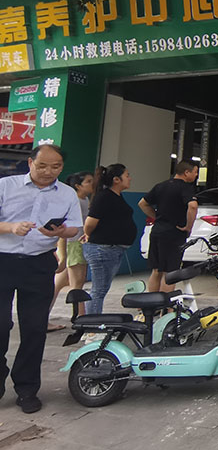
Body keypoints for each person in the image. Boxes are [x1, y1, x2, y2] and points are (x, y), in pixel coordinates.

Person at [0, 144, 82, 414]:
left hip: (38, 264)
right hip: (3, 260)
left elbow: (76, 229)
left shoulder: (67, 193)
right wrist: (11, 227)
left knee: (34, 328)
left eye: (56, 167)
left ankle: (27, 389)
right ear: (30, 163)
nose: (49, 171)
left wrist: (60, 232)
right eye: (42, 166)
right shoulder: (6, 186)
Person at [82, 164, 137, 315]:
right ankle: (92, 323)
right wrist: (88, 234)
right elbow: (90, 223)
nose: (130, 178)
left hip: (113, 249)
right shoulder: (104, 197)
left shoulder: (117, 196)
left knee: (102, 288)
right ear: (116, 179)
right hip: (102, 249)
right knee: (98, 290)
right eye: (127, 175)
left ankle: (93, 319)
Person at [139, 160, 199, 293]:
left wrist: (157, 217)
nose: (196, 175)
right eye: (195, 172)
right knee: (170, 272)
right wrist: (188, 226)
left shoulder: (160, 186)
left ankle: (152, 302)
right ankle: (166, 304)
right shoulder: (185, 188)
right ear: (186, 172)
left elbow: (142, 203)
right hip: (174, 233)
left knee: (156, 270)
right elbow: (193, 206)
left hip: (157, 231)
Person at [48, 171, 94, 329]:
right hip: (73, 244)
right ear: (78, 186)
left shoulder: (84, 199)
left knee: (58, 284)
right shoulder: (75, 201)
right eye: (88, 181)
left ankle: (43, 317)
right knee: (77, 284)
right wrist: (63, 255)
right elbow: (63, 230)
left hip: (75, 244)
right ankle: (81, 319)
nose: (92, 184)